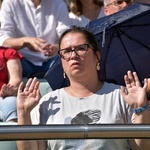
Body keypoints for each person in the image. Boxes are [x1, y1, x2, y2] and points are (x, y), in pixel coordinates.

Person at [17, 25, 150, 150]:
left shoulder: (122, 96)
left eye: (81, 48)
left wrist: (141, 109)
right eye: (67, 51)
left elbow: (142, 147)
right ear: (61, 60)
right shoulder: (47, 103)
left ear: (97, 56)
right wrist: (23, 113)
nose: (73, 55)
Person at [0, 0, 71, 77]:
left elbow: (67, 37)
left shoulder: (58, 3)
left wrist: (56, 48)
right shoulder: (10, 3)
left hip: (53, 61)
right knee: (9, 62)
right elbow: (3, 40)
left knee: (72, 58)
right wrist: (25, 42)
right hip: (22, 61)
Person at [0, 46, 22, 122]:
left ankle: (13, 132)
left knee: (11, 102)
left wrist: (7, 91)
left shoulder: (9, 52)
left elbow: (15, 79)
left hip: (3, 97)